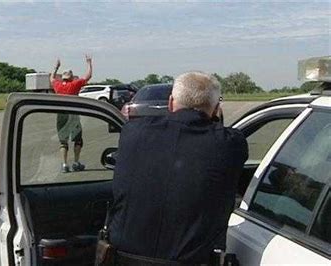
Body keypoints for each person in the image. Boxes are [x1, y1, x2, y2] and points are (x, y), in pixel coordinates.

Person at [107, 72, 248, 265]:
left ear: (171, 102)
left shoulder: (132, 133)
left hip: (123, 260)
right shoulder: (231, 143)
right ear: (216, 109)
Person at [50, 55, 93, 173]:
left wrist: (56, 67)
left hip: (61, 115)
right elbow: (88, 76)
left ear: (63, 78)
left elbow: (52, 78)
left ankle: (64, 164)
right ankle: (76, 162)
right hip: (73, 114)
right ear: (72, 77)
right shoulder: (75, 84)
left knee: (63, 141)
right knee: (78, 140)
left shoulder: (57, 86)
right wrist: (89, 63)